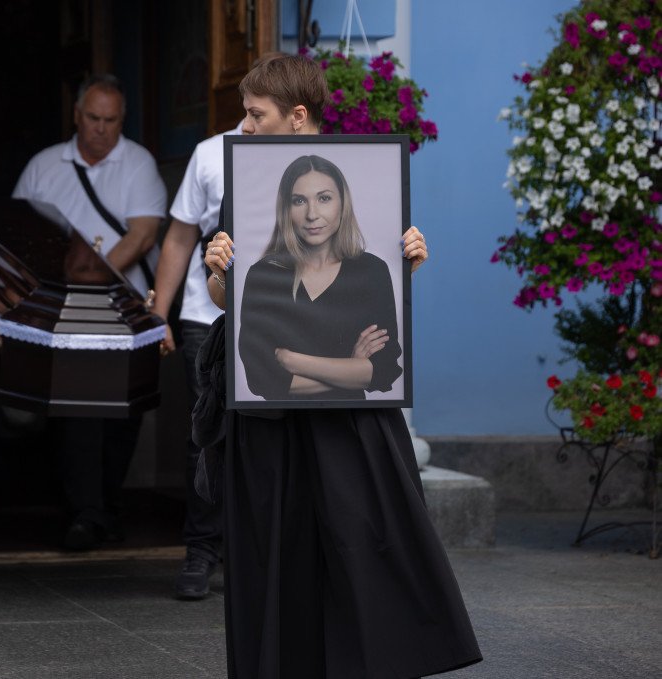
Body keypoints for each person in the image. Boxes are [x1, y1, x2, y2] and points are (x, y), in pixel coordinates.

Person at [201, 55, 482, 677]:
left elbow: (378, 367)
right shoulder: (246, 202)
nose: (245, 127)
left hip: (351, 426)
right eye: (246, 114)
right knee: (277, 560)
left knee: (364, 550)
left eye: (256, 114)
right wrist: (220, 271)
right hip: (269, 427)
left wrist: (406, 263)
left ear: (297, 116)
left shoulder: (370, 248)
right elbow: (238, 324)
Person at [13, 74, 167, 550]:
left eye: (111, 120)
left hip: (124, 304)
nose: (101, 129)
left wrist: (92, 278)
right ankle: (86, 512)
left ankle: (106, 507)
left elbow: (143, 234)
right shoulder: (43, 166)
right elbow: (23, 237)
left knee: (124, 412)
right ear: (77, 116)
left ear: (123, 120)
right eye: (94, 118)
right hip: (60, 311)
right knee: (76, 410)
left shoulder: (138, 163)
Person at [149, 120, 240, 598]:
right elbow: (180, 237)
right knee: (205, 432)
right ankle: (201, 549)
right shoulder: (209, 153)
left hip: (278, 317)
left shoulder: (306, 152)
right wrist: (159, 314)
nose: (252, 120)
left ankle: (250, 552)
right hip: (205, 315)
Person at [238, 154, 403, 402]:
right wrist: (351, 369)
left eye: (324, 198)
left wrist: (293, 361)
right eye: (299, 201)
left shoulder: (372, 271)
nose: (312, 214)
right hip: (286, 422)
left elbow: (384, 371)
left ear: (342, 203)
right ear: (286, 208)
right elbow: (261, 380)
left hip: (352, 421)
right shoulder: (263, 275)